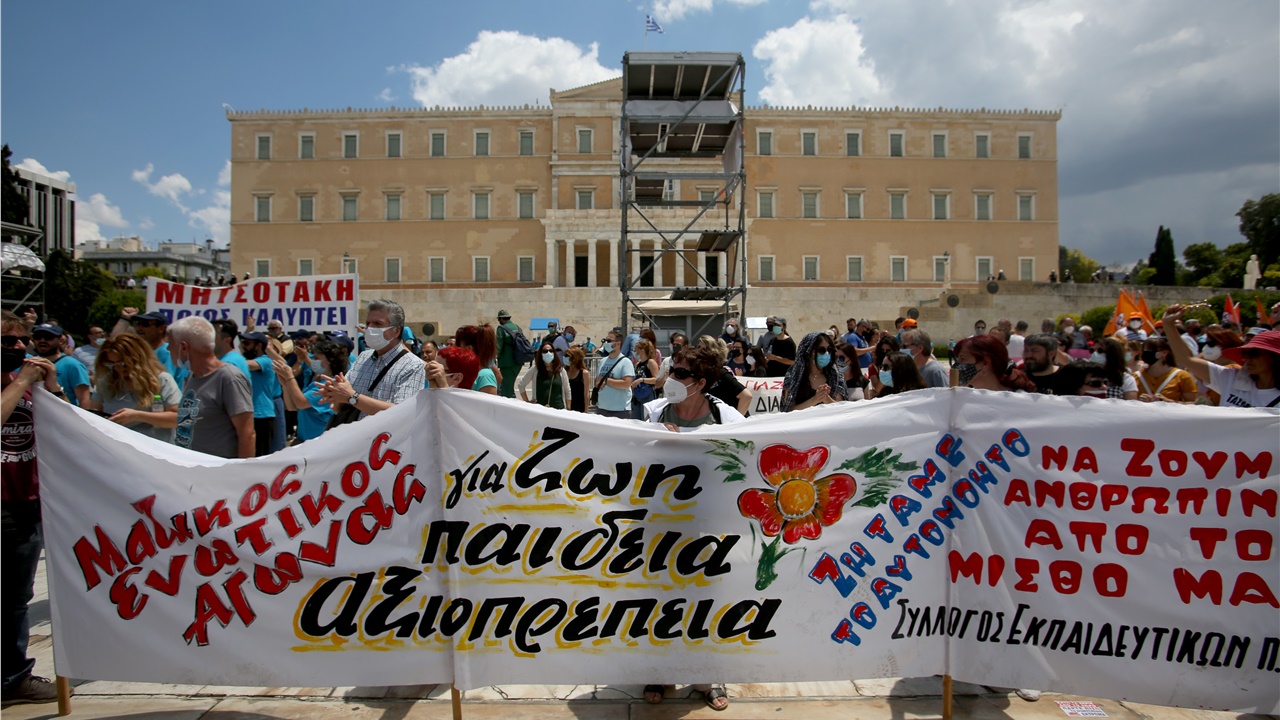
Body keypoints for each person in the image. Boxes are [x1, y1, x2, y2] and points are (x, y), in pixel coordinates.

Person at [639, 344, 742, 711]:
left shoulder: (725, 417)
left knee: (705, 602)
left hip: (708, 528)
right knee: (662, 600)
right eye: (671, 371)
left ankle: (707, 676)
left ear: (700, 382)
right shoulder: (652, 413)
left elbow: (742, 463)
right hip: (661, 524)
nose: (671, 379)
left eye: (681, 374)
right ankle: (662, 671)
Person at [1, 312, 66, 707]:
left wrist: (52, 388)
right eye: (10, 341)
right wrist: (23, 381)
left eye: (23, 340)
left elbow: (64, 428)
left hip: (26, 505)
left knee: (15, 600)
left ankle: (13, 678)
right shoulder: (17, 384)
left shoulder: (25, 386)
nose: (21, 347)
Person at [319, 299, 426, 419]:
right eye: (368, 323)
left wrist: (353, 397)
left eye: (377, 324)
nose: (370, 328)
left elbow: (402, 413)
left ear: (396, 331)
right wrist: (335, 393)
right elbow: (340, 406)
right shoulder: (363, 357)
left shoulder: (413, 365)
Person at [169, 317, 255, 458]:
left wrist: (242, 475)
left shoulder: (229, 378)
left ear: (184, 347)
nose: (168, 349)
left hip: (218, 473)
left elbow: (247, 433)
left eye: (170, 344)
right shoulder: (193, 376)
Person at [1162, 305, 1279, 408]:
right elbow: (1186, 359)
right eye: (1244, 353)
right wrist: (1168, 325)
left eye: (1253, 353)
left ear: (1275, 358)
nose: (1245, 358)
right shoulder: (1231, 378)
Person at [89, 334, 181, 442]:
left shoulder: (161, 380)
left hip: (151, 448)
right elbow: (94, 414)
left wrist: (137, 416)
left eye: (123, 364)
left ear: (138, 359)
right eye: (111, 364)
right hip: (115, 447)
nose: (117, 368)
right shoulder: (105, 382)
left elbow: (177, 419)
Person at [268, 337, 345, 443]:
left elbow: (301, 403)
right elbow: (292, 407)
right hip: (305, 440)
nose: (312, 360)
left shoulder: (330, 385)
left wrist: (290, 377)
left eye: (317, 358)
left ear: (330, 361)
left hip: (319, 443)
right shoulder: (316, 382)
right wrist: (285, 385)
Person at [237, 331, 280, 457]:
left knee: (259, 457)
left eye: (246, 343)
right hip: (248, 414)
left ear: (259, 346)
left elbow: (247, 365)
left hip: (262, 416)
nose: (243, 346)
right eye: (241, 343)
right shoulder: (244, 360)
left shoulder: (266, 361)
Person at [782, 331, 847, 411]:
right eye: (821, 350)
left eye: (829, 350)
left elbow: (841, 409)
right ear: (809, 351)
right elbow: (789, 410)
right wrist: (815, 399)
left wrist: (826, 398)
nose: (827, 354)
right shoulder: (794, 375)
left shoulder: (836, 376)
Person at [30, 324, 90, 408]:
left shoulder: (73, 365)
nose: (42, 340)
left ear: (61, 340)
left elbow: (84, 401)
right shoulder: (29, 362)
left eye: (48, 337)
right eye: (38, 337)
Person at [953, 335, 1037, 392]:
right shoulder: (961, 398)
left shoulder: (1019, 401)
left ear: (985, 363)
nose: (956, 366)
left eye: (963, 359)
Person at [697, 336, 753, 416]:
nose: (697, 351)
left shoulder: (721, 373)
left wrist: (735, 422)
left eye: (701, 348)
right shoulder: (703, 375)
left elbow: (746, 396)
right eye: (697, 347)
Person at [1133, 337, 1198, 404]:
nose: (1146, 353)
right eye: (1144, 350)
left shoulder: (1182, 376)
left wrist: (1168, 401)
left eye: (1150, 350)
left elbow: (1193, 403)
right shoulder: (1136, 377)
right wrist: (1138, 401)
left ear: (1164, 353)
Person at [592, 329, 634, 419]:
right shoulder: (603, 361)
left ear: (618, 343)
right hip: (601, 408)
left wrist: (606, 381)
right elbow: (597, 380)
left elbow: (627, 384)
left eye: (609, 341)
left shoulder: (626, 362)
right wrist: (598, 382)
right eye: (605, 340)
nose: (606, 343)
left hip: (619, 410)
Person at [519, 342, 571, 409]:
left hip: (558, 410)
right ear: (541, 353)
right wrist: (527, 402)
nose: (548, 353)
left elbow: (567, 390)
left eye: (551, 351)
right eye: (545, 351)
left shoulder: (561, 370)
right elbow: (521, 385)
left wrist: (568, 408)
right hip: (540, 411)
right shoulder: (535, 370)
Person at [454, 325, 499, 395]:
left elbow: (488, 405)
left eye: (458, 346)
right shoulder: (466, 372)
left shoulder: (485, 375)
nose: (455, 351)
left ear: (469, 349)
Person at [494, 310, 524, 398]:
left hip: (507, 363)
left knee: (506, 389)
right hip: (518, 362)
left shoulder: (501, 329)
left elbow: (498, 346)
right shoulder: (518, 328)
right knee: (509, 386)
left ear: (501, 319)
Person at [630, 340, 660, 419]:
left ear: (642, 350)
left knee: (646, 419)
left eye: (636, 349)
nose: (635, 352)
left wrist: (642, 380)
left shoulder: (651, 362)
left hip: (648, 395)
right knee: (635, 419)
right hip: (637, 395)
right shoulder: (638, 364)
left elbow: (656, 379)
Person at [564, 347, 588, 413]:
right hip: (566, 406)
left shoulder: (584, 373)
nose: (564, 357)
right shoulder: (564, 371)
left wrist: (586, 410)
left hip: (579, 407)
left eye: (567, 356)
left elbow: (586, 394)